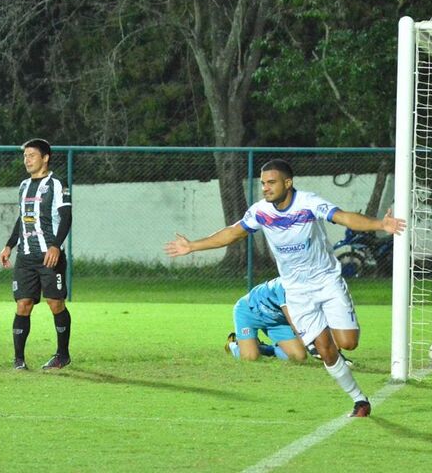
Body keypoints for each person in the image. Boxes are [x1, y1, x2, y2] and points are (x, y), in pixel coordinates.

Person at [165, 159, 406, 417]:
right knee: (325, 350)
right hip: (296, 290)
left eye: (271, 183)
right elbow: (232, 233)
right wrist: (193, 246)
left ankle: (327, 327)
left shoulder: (308, 203)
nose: (265, 188)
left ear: (287, 183)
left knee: (348, 343)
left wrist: (380, 225)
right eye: (263, 184)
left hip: (327, 281)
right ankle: (359, 400)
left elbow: (344, 217)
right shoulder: (260, 212)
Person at [0, 139, 73, 371]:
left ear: (45, 157)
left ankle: (62, 355)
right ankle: (19, 360)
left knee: (55, 303)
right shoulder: (23, 186)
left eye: (31, 155)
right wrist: (9, 245)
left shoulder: (57, 184)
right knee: (23, 305)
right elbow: (22, 220)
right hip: (26, 256)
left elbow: (67, 216)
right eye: (25, 156)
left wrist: (55, 246)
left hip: (49, 256)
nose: (27, 160)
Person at [225, 277, 307, 362]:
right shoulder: (283, 284)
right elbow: (292, 318)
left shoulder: (309, 286)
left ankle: (264, 348)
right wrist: (308, 343)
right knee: (250, 357)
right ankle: (234, 344)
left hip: (277, 321)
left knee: (298, 357)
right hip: (249, 312)